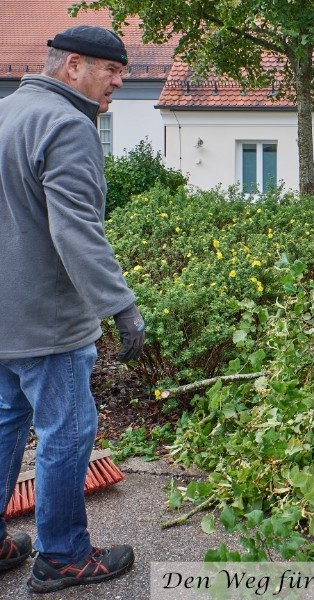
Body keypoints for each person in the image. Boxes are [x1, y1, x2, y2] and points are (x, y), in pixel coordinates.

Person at [0, 26, 145, 593]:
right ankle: (62, 556)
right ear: (73, 66)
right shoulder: (67, 125)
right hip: (48, 322)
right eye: (112, 70)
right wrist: (121, 305)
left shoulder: (7, 112)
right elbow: (76, 229)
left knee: (5, 423)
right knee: (67, 431)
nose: (118, 82)